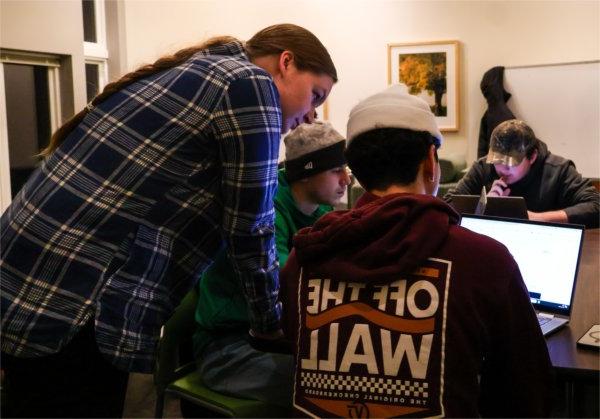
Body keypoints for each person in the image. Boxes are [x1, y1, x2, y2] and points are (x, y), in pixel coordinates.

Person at [0, 23, 337, 418]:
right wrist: (269, 323)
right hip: (74, 297)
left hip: (29, 278)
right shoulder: (250, 84)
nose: (312, 115)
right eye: (315, 94)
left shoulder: (203, 72)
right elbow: (251, 225)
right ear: (285, 62)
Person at [280, 84, 553, 418]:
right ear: (430, 161)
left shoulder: (303, 260)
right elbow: (526, 393)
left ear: (358, 173)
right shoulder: (485, 262)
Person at [192, 121, 350, 409]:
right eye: (336, 170)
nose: (346, 179)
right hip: (228, 348)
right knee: (330, 386)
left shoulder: (321, 211)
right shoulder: (264, 214)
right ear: (306, 173)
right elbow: (285, 285)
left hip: (278, 338)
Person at [449, 119, 599, 228]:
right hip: (492, 246)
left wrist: (535, 218)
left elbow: (595, 206)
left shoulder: (558, 170)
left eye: (510, 164)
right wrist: (482, 207)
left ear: (532, 156)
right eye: (497, 161)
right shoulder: (483, 168)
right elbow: (448, 205)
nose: (501, 169)